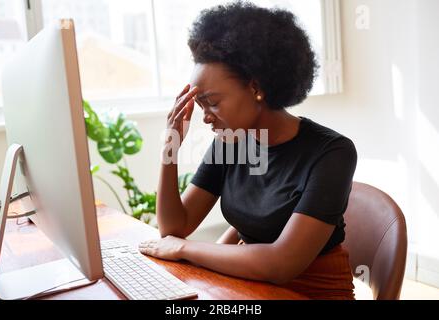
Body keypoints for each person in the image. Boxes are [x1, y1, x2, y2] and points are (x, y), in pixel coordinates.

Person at [139, 1, 357, 300]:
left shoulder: (332, 153)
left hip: (311, 293)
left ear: (256, 88)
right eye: (200, 105)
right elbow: (175, 227)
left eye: (213, 102)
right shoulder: (230, 143)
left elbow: (282, 264)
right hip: (249, 287)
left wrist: (185, 249)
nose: (205, 116)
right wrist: (170, 147)